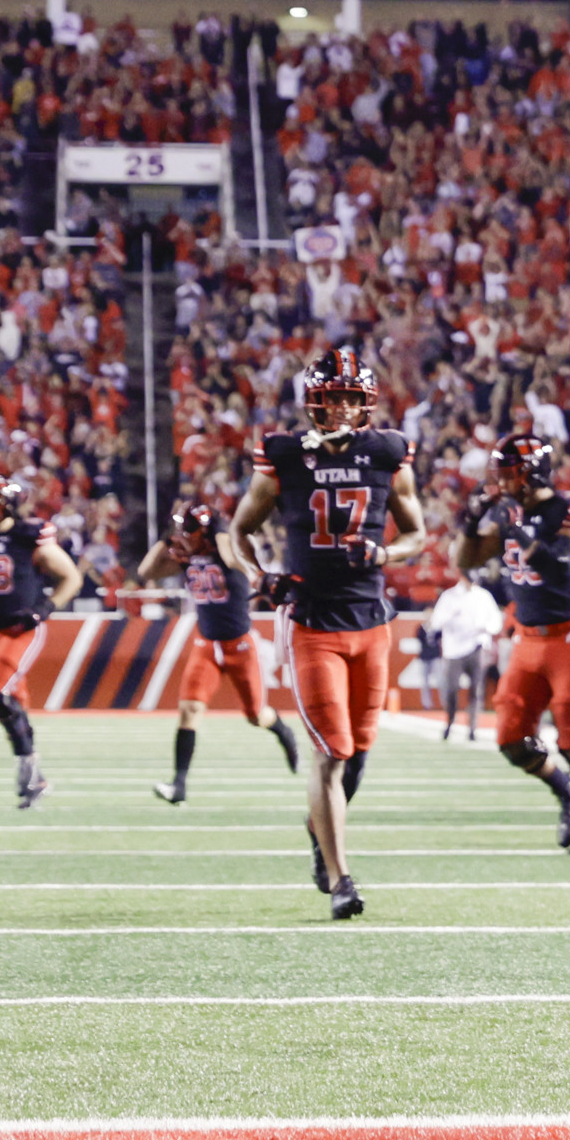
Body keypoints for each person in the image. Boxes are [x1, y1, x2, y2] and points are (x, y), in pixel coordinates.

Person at [229, 346, 428, 919]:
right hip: (312, 621)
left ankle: (320, 833)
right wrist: (259, 573)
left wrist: (384, 550)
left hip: (372, 621)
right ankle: (342, 878)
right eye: (331, 397)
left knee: (358, 752)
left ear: (364, 402)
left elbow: (416, 534)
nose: (340, 409)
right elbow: (240, 531)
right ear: (313, 401)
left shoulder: (389, 450)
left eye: (349, 398)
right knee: (330, 754)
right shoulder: (284, 454)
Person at [461, 436, 570, 855]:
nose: (502, 482)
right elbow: (467, 561)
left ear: (531, 474)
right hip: (528, 636)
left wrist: (516, 527)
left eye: (510, 473)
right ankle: (565, 791)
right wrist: (470, 522)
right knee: (511, 737)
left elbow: (563, 565)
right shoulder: (510, 510)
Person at [137, 497, 299, 805]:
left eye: (189, 530)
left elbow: (231, 555)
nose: (183, 536)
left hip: (239, 644)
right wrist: (164, 539)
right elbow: (147, 571)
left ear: (206, 531)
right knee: (189, 710)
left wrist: (221, 530)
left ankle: (282, 731)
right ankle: (179, 785)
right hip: (206, 644)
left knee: (255, 715)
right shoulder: (186, 556)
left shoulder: (227, 551)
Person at [0, 475, 81, 809]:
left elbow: (71, 577)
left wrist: (43, 609)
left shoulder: (28, 537)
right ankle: (34, 779)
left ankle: (30, 773)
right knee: (12, 705)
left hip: (18, 629)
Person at [426, 565, 503, 741]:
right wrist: (452, 616)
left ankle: (472, 728)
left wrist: (487, 628)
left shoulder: (483, 596)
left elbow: (495, 620)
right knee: (451, 689)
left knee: (476, 690)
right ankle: (450, 722)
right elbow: (436, 622)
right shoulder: (449, 597)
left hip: (476, 646)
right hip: (453, 649)